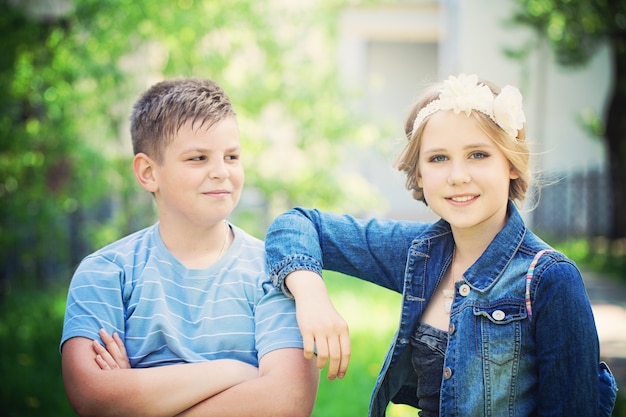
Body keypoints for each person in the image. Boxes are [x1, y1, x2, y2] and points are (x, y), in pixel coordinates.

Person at [264, 74, 617, 416]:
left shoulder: (550, 281)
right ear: (419, 173)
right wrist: (311, 296)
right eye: (438, 158)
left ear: (511, 163)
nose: (458, 176)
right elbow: (295, 224)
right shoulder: (417, 251)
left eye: (478, 154)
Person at [60, 77, 319, 417]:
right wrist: (235, 372)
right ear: (148, 172)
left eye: (232, 156)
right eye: (198, 158)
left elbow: (287, 401)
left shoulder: (276, 272)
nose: (220, 172)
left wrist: (137, 397)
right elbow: (92, 395)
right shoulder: (105, 272)